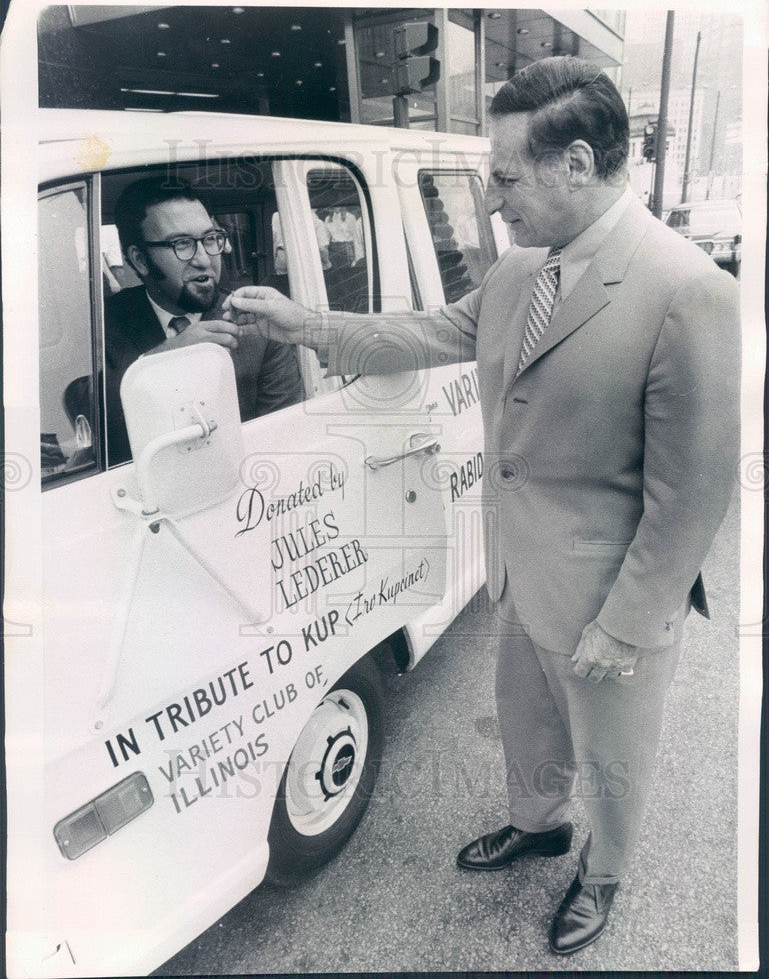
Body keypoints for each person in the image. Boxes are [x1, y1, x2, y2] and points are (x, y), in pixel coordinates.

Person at [222, 57, 740, 954]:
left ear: (575, 163)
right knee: (528, 721)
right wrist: (308, 325)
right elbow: (429, 332)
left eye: (504, 177)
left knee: (615, 759)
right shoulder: (520, 271)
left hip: (610, 597)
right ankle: (538, 823)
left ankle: (604, 873)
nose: (493, 200)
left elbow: (692, 491)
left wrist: (627, 622)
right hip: (518, 569)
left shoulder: (686, 291)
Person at [105, 177, 303, 465]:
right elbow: (87, 420)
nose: (204, 260)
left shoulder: (257, 324)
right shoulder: (104, 323)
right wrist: (163, 358)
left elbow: (284, 441)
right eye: (181, 244)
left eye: (210, 239)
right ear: (139, 260)